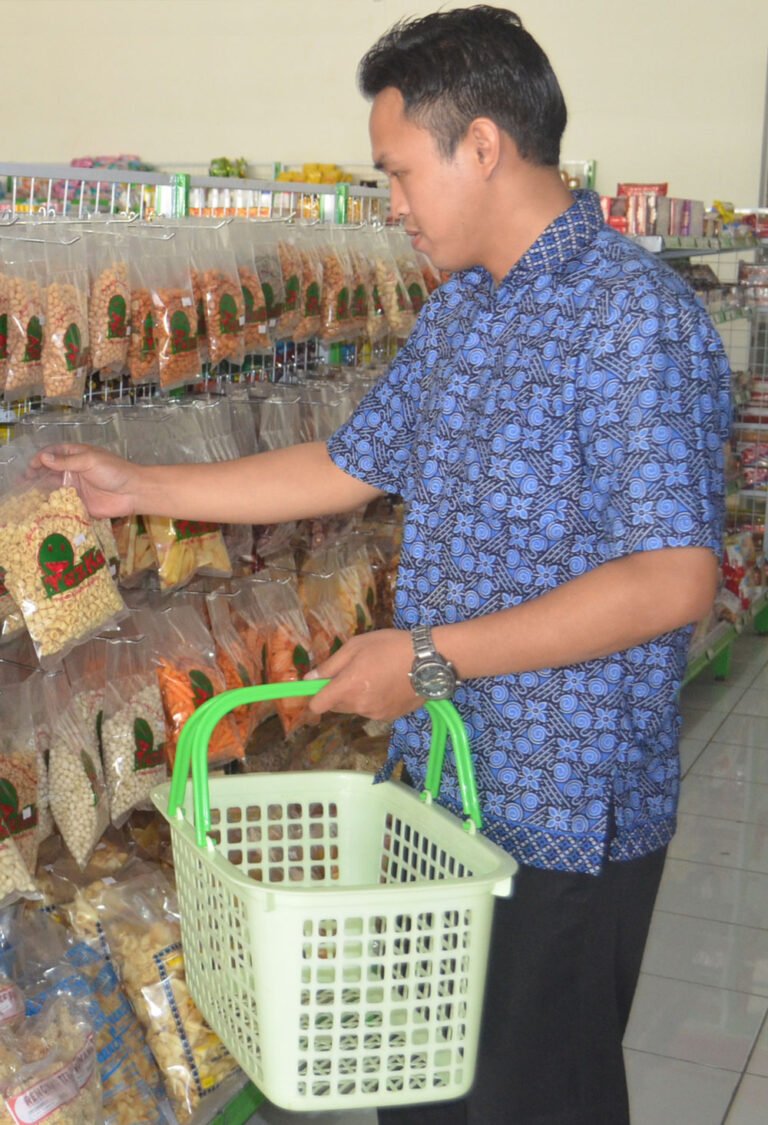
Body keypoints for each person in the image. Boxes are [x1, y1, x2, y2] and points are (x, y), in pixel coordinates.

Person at [37, 6, 731, 1123]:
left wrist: (431, 659)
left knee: (528, 1101)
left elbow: (672, 580)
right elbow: (347, 464)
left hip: (560, 811)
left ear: (483, 145)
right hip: (440, 790)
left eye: (398, 172)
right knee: (416, 1090)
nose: (391, 204)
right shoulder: (463, 313)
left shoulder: (632, 318)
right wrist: (142, 486)